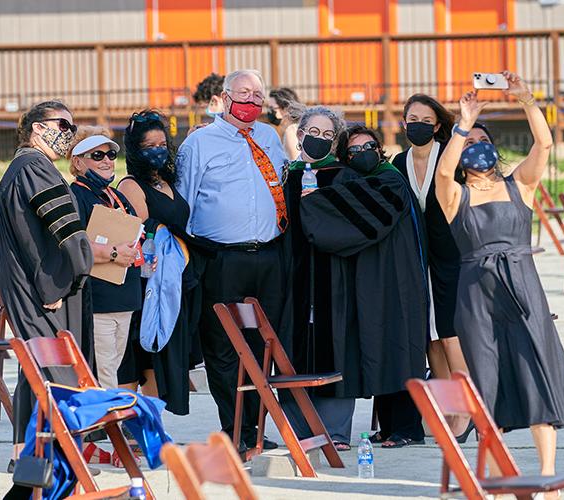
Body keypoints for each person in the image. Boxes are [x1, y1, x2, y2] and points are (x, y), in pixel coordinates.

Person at [435, 71, 564, 493]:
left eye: (482, 142)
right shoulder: (455, 197)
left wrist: (526, 101)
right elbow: (443, 176)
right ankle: (499, 468)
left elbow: (546, 144)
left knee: (534, 371)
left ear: (494, 149)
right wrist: (463, 123)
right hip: (476, 297)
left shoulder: (520, 185)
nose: (476, 148)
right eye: (468, 144)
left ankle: (547, 472)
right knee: (487, 378)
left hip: (522, 288)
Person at [177, 69, 289, 451]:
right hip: (222, 258)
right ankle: (234, 428)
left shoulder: (269, 137)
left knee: (264, 346)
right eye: (243, 94)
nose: (251, 102)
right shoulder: (200, 143)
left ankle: (257, 430)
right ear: (225, 97)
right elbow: (185, 201)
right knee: (223, 347)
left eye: (258, 96)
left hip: (269, 256)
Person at [299, 125, 429, 450]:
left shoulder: (391, 180)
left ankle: (407, 428)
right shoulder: (345, 180)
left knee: (397, 345)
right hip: (366, 278)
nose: (364, 153)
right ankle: (387, 428)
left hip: (396, 277)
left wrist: (318, 201)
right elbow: (341, 213)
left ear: (379, 147)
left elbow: (353, 209)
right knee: (378, 346)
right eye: (355, 150)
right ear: (345, 156)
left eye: (369, 146)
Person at [0, 101, 93, 463]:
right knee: (56, 372)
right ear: (37, 128)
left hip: (34, 286)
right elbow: (55, 235)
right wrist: (61, 281)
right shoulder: (34, 168)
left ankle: (26, 455)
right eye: (62, 125)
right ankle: (60, 459)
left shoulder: (27, 167)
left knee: (34, 371)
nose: (68, 133)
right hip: (42, 289)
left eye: (72, 126)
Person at [391, 94, 472, 441]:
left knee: (451, 333)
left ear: (438, 125)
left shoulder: (449, 157)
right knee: (430, 339)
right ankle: (445, 409)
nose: (418, 125)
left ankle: (469, 410)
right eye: (412, 118)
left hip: (452, 256)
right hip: (415, 260)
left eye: (426, 120)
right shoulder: (397, 162)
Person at [117, 110, 201, 416]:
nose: (158, 149)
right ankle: (130, 427)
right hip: (148, 283)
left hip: (176, 279)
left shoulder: (168, 180)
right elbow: (142, 232)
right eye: (149, 145)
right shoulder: (131, 186)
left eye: (162, 143)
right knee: (144, 356)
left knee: (160, 361)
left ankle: (151, 426)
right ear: (136, 150)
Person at [283, 106, 355, 449]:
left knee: (335, 343)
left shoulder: (342, 175)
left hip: (332, 272)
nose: (320, 140)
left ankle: (336, 430)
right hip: (293, 273)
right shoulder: (286, 176)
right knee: (294, 344)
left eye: (328, 135)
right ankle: (301, 429)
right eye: (314, 133)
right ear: (299, 135)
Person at [68, 126, 142, 389]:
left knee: (113, 366)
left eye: (110, 154)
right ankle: (110, 425)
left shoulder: (116, 195)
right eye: (97, 155)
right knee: (104, 369)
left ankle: (111, 424)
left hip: (125, 297)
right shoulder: (76, 195)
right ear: (77, 162)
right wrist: (113, 253)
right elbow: (75, 245)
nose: (107, 160)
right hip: (99, 298)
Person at [267, 87, 301, 160]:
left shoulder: (291, 131)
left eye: (272, 108)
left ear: (286, 109)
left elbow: (295, 163)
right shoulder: (293, 129)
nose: (269, 112)